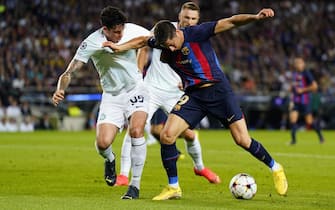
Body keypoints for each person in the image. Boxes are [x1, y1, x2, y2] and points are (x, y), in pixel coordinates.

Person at [103, 7, 288, 200]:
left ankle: (276, 168)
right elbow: (142, 41)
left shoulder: (197, 33)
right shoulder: (163, 41)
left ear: (176, 34)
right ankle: (173, 187)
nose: (171, 49)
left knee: (242, 140)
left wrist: (256, 17)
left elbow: (231, 21)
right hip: (195, 96)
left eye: (172, 45)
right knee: (167, 135)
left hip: (218, 91)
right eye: (166, 47)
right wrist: (119, 47)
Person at [115, 1, 220, 187]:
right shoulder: (164, 29)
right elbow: (145, 45)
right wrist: (139, 74)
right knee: (135, 127)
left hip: (176, 92)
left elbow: (202, 65)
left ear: (198, 20)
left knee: (189, 134)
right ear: (179, 15)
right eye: (186, 17)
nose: (189, 21)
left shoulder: (198, 37)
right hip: (152, 89)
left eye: (193, 19)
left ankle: (200, 167)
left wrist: (189, 81)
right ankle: (123, 175)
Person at [52, 6, 151, 199]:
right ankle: (110, 159)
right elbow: (70, 70)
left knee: (136, 131)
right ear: (104, 30)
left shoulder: (132, 30)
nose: (120, 34)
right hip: (112, 96)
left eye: (121, 30)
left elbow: (149, 40)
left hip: (135, 89)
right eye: (115, 32)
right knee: (103, 143)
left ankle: (134, 186)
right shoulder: (91, 42)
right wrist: (60, 89)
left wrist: (139, 66)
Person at [288, 57, 324, 145]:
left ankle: (321, 137)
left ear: (303, 64)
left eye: (300, 63)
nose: (298, 64)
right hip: (296, 101)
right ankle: (293, 141)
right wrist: (291, 93)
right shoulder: (294, 74)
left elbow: (315, 86)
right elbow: (294, 88)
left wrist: (303, 90)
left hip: (305, 101)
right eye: (296, 63)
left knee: (309, 122)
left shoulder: (307, 73)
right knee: (292, 118)